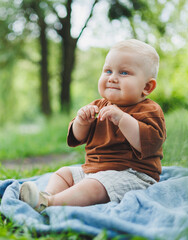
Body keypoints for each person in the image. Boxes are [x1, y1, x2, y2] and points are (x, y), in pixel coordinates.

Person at [19, 39, 166, 212]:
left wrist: (122, 119)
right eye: (108, 71)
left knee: (94, 185)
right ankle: (45, 196)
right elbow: (78, 137)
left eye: (124, 73)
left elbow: (149, 143)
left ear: (147, 87)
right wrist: (82, 122)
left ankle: (50, 204)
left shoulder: (149, 110)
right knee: (64, 173)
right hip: (93, 171)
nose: (112, 78)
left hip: (133, 175)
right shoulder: (99, 105)